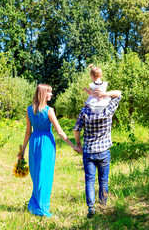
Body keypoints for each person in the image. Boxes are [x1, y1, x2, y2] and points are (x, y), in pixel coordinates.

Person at [19, 84, 83, 217]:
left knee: (37, 174)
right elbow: (59, 131)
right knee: (45, 175)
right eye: (50, 92)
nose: (51, 95)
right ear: (43, 94)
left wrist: (23, 150)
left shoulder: (29, 110)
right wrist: (73, 146)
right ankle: (42, 207)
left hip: (35, 143)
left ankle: (36, 204)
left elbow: (27, 132)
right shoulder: (49, 110)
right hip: (46, 143)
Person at [74, 89, 122, 218]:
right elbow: (118, 94)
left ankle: (91, 208)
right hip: (103, 151)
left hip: (89, 151)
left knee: (89, 180)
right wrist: (105, 94)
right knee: (103, 181)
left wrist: (78, 144)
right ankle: (103, 206)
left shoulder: (84, 111)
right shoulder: (108, 109)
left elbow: (76, 129)